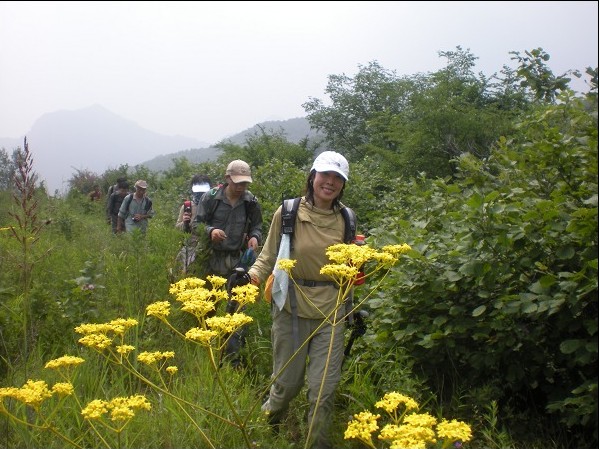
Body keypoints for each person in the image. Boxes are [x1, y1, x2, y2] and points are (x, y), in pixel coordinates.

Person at [247, 151, 354, 449]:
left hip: (331, 313)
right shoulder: (289, 212)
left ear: (343, 185)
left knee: (323, 391)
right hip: (290, 307)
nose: (330, 183)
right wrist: (251, 278)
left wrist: (359, 270)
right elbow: (268, 255)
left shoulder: (347, 219)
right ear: (312, 177)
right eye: (325, 175)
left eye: (337, 178)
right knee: (286, 386)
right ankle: (266, 432)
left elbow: (352, 268)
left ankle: (315, 443)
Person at [192, 160, 262, 367]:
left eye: (245, 183)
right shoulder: (211, 198)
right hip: (211, 260)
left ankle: (233, 357)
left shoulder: (251, 202)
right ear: (227, 178)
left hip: (238, 260)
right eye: (237, 182)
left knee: (236, 307)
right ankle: (210, 351)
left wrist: (255, 237)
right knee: (210, 306)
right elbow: (197, 224)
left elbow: (258, 225)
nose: (241, 187)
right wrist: (210, 231)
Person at [174, 174, 212, 275]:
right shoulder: (187, 206)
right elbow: (177, 229)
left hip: (209, 249)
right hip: (190, 247)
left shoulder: (213, 205)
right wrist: (185, 222)